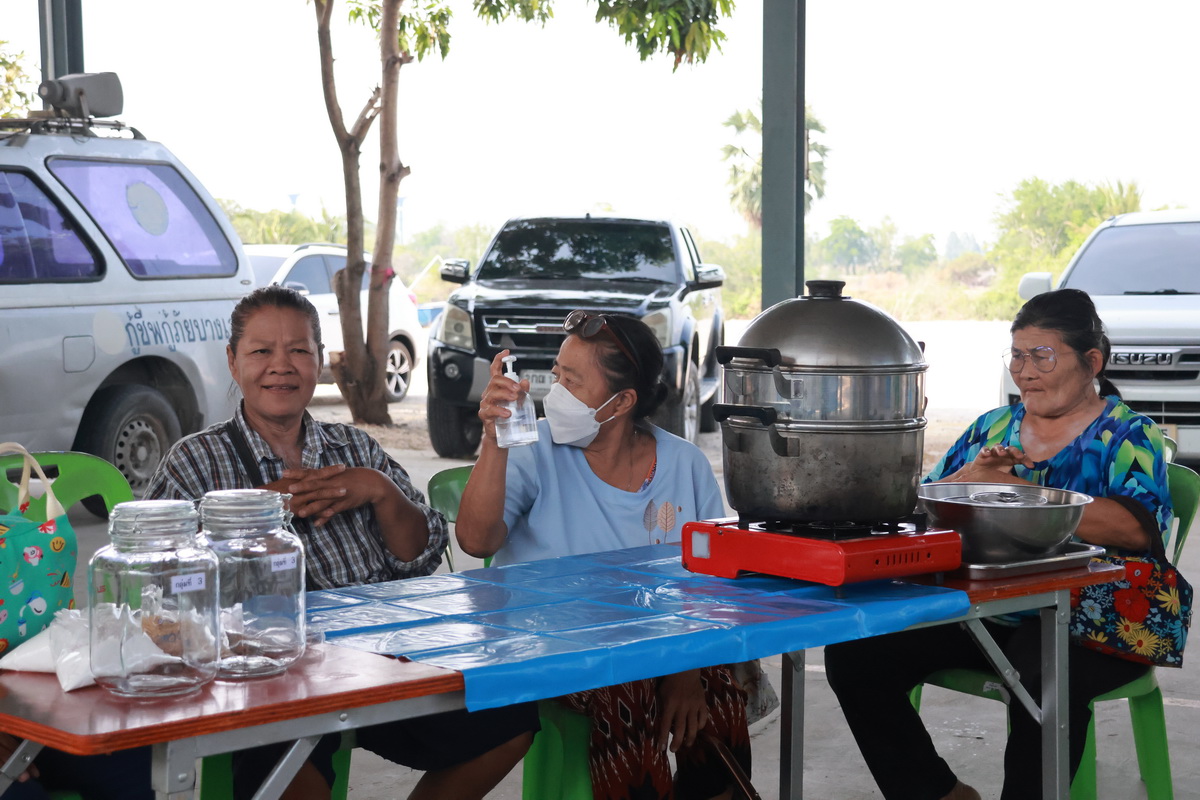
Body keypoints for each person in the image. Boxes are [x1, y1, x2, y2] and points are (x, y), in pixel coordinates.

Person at [144, 285, 537, 800]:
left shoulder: (354, 447)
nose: (281, 366)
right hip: (267, 671)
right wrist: (253, 512)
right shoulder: (196, 460)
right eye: (261, 351)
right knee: (272, 746)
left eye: (299, 350)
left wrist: (380, 491)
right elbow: (157, 582)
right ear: (233, 362)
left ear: (320, 360)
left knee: (509, 717)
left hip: (377, 657)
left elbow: (420, 554)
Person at [824, 288, 1174, 800]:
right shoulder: (993, 427)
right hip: (987, 609)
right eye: (1017, 356)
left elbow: (1135, 530)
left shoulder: (1126, 435)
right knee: (856, 655)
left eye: (1042, 356)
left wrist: (1023, 494)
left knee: (1046, 680)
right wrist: (971, 479)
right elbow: (918, 510)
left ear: (1092, 361)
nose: (1025, 372)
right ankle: (939, 793)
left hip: (1091, 618)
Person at [455, 309, 751, 800]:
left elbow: (711, 584)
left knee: (717, 689)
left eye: (572, 381)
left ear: (622, 402)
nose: (556, 391)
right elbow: (475, 540)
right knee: (626, 688)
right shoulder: (531, 448)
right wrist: (494, 439)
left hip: (657, 641)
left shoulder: (684, 464)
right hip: (547, 641)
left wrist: (686, 672)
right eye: (557, 375)